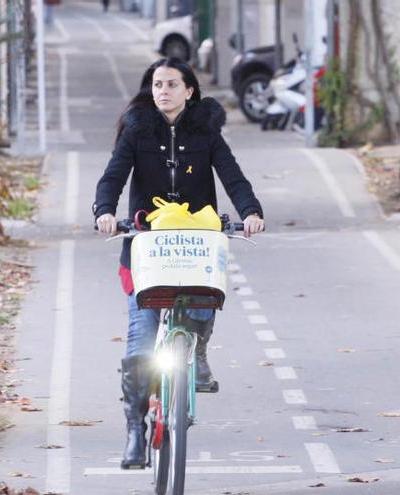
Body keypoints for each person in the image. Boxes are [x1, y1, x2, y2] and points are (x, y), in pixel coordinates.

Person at [93, 58, 264, 470]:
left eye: (172, 84)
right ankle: (135, 429)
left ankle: (198, 353)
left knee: (206, 292)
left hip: (195, 243)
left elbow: (232, 177)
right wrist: (104, 211)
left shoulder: (207, 133)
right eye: (156, 84)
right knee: (140, 345)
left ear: (189, 91)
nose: (163, 91)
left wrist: (251, 211)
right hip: (146, 248)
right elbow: (113, 176)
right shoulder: (137, 131)